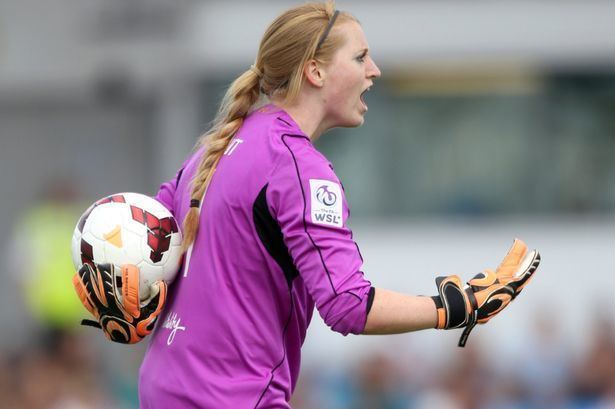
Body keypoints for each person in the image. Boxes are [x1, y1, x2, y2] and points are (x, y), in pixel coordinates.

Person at [72, 2, 541, 408]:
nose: (374, 70)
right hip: (235, 400)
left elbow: (147, 239)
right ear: (315, 72)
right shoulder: (299, 167)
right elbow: (348, 306)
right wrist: (456, 306)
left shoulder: (214, 147)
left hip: (163, 390)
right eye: (359, 57)